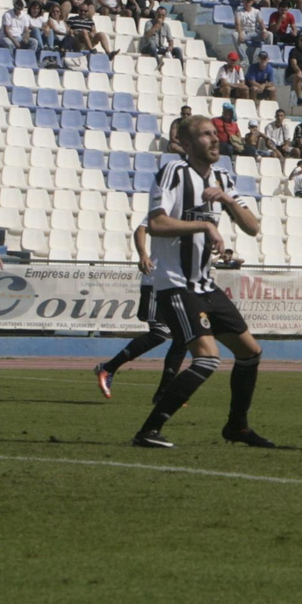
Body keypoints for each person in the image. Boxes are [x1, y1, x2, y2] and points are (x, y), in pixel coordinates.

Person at [129, 114, 272, 449]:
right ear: (187, 144)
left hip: (205, 285)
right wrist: (205, 225)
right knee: (207, 358)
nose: (214, 139)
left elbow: (252, 227)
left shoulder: (223, 178)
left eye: (214, 133)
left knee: (250, 352)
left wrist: (226, 200)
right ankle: (148, 431)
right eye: (205, 135)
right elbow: (157, 223)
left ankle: (237, 427)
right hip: (175, 284)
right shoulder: (174, 172)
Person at [93, 224, 188, 405]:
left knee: (184, 337)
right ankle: (108, 368)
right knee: (159, 333)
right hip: (156, 281)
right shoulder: (167, 210)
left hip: (178, 285)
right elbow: (141, 228)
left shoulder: (194, 219)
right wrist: (143, 255)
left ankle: (164, 393)